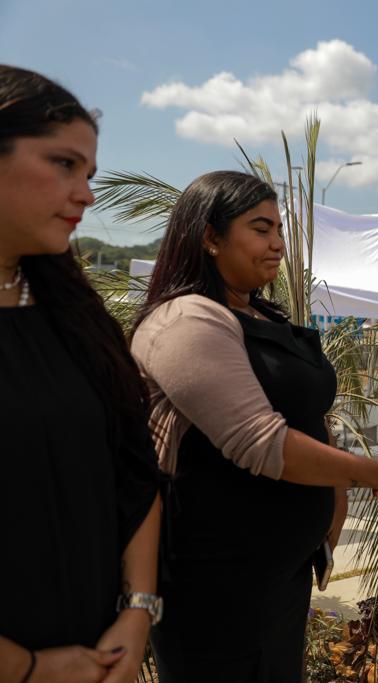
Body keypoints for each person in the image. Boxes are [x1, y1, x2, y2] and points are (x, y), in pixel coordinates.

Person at [131, 170, 378, 682]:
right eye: (260, 229)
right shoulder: (186, 320)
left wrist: (326, 526)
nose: (277, 245)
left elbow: (308, 416)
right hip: (217, 583)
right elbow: (260, 442)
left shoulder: (262, 314)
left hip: (278, 579)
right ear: (209, 236)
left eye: (279, 232)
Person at [0, 65, 162, 683]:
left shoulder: (75, 316)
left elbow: (132, 463)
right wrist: (27, 668)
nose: (87, 195)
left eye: (89, 174)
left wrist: (138, 609)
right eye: (64, 164)